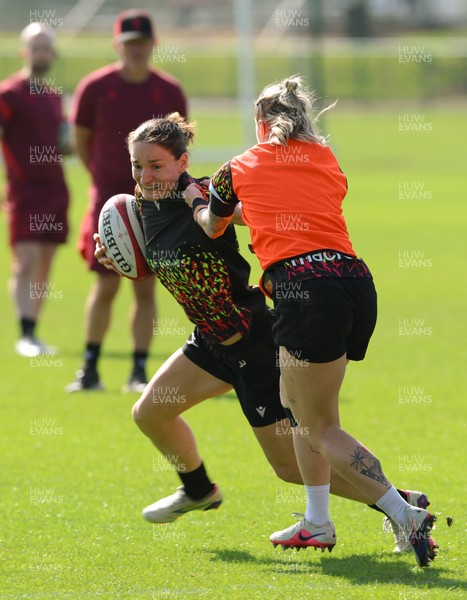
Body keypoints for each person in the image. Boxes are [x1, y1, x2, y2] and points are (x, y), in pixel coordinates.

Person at [95, 114, 433, 547]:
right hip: (210, 341)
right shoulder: (139, 208)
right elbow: (151, 261)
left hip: (252, 342)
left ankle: (398, 501)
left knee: (291, 468)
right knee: (149, 413)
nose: (145, 175)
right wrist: (116, 255)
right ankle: (198, 490)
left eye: (156, 166)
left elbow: (250, 215)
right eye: (137, 165)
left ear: (182, 162)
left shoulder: (203, 198)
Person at [183, 76, 437, 567]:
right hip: (354, 283)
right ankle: (316, 522)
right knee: (297, 408)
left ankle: (403, 512)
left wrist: (193, 198)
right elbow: (292, 209)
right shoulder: (327, 160)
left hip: (304, 289)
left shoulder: (236, 167)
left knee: (319, 424)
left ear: (261, 123)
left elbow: (212, 224)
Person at [67, 9, 187, 393]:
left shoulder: (168, 91)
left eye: (142, 43)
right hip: (107, 203)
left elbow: (177, 149)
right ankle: (89, 369)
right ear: (117, 45)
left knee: (145, 286)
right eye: (129, 43)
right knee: (104, 285)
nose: (136, 50)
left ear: (153, 44)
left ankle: (137, 371)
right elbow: (81, 140)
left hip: (153, 203)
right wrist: (103, 179)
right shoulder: (95, 86)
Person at [0, 23, 69, 357]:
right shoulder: (8, 93)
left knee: (44, 262)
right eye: (35, 46)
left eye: (46, 47)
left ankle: (34, 330)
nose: (41, 53)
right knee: (23, 261)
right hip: (23, 191)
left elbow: (62, 143)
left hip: (55, 189)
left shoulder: (54, 96)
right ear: (24, 50)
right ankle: (25, 333)